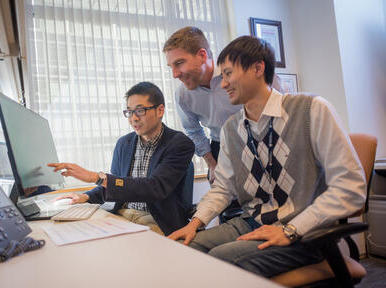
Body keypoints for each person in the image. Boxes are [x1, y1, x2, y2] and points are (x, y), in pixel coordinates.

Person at [168, 36, 366, 277]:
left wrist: (291, 229)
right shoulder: (231, 129)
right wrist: (194, 223)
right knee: (184, 249)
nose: (223, 84)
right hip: (254, 222)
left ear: (258, 68)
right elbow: (223, 188)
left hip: (303, 232)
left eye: (229, 74)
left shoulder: (311, 109)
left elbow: (351, 188)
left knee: (218, 263)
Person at [48, 82, 195, 236]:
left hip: (156, 221)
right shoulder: (124, 143)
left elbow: (155, 188)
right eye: (129, 112)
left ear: (160, 110)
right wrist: (85, 196)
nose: (133, 118)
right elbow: (118, 185)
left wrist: (96, 177)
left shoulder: (179, 144)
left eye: (140, 111)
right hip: (121, 215)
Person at [163, 26, 282, 184]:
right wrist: (213, 164)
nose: (175, 74)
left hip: (264, 140)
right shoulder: (182, 95)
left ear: (202, 55)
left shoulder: (245, 71)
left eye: (179, 63)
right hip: (221, 147)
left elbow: (282, 105)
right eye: (171, 67)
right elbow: (193, 131)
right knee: (226, 203)